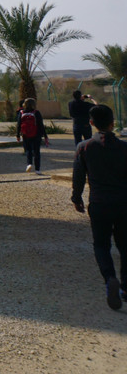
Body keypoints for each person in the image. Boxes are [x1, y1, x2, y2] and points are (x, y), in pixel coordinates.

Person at [71, 104, 127, 311]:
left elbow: (78, 176)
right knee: (125, 244)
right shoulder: (124, 148)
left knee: (101, 245)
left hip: (99, 203)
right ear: (113, 123)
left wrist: (76, 199)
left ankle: (109, 278)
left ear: (91, 123)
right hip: (123, 203)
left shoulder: (84, 147)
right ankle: (126, 287)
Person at [16, 98, 49, 173]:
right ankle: (37, 169)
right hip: (36, 134)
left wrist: (18, 135)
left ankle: (29, 164)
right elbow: (41, 125)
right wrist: (45, 135)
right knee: (37, 151)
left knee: (28, 150)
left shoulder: (21, 113)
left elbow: (18, 125)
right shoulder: (36, 113)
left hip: (25, 134)